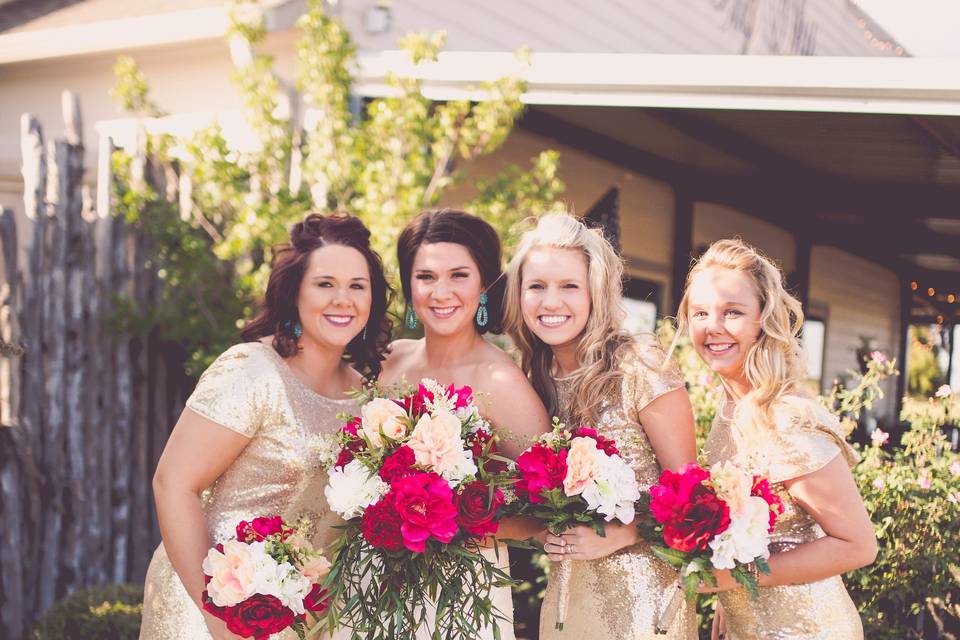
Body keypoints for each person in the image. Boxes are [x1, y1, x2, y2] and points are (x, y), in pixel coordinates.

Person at [140, 212, 392, 640]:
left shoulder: (367, 398)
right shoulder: (253, 372)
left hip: (304, 614)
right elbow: (172, 483)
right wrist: (217, 615)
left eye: (357, 286)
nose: (343, 299)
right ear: (294, 292)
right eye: (325, 284)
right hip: (215, 606)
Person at [503, 212, 698, 639]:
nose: (550, 302)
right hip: (566, 601)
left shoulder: (640, 365)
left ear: (596, 290)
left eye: (569, 286)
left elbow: (691, 497)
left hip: (644, 603)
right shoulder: (534, 377)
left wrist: (624, 533)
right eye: (536, 286)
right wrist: (542, 532)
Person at [674, 238, 877, 640]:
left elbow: (857, 545)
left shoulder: (784, 416)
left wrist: (735, 577)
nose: (713, 326)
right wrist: (728, 608)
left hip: (805, 629)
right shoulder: (729, 405)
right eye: (700, 312)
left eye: (732, 312)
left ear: (762, 319)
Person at [378, 208, 550, 640]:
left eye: (459, 275)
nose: (441, 292)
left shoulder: (501, 381)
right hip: (373, 581)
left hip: (458, 595)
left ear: (485, 284)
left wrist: (454, 521)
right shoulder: (389, 361)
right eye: (425, 276)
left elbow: (548, 508)